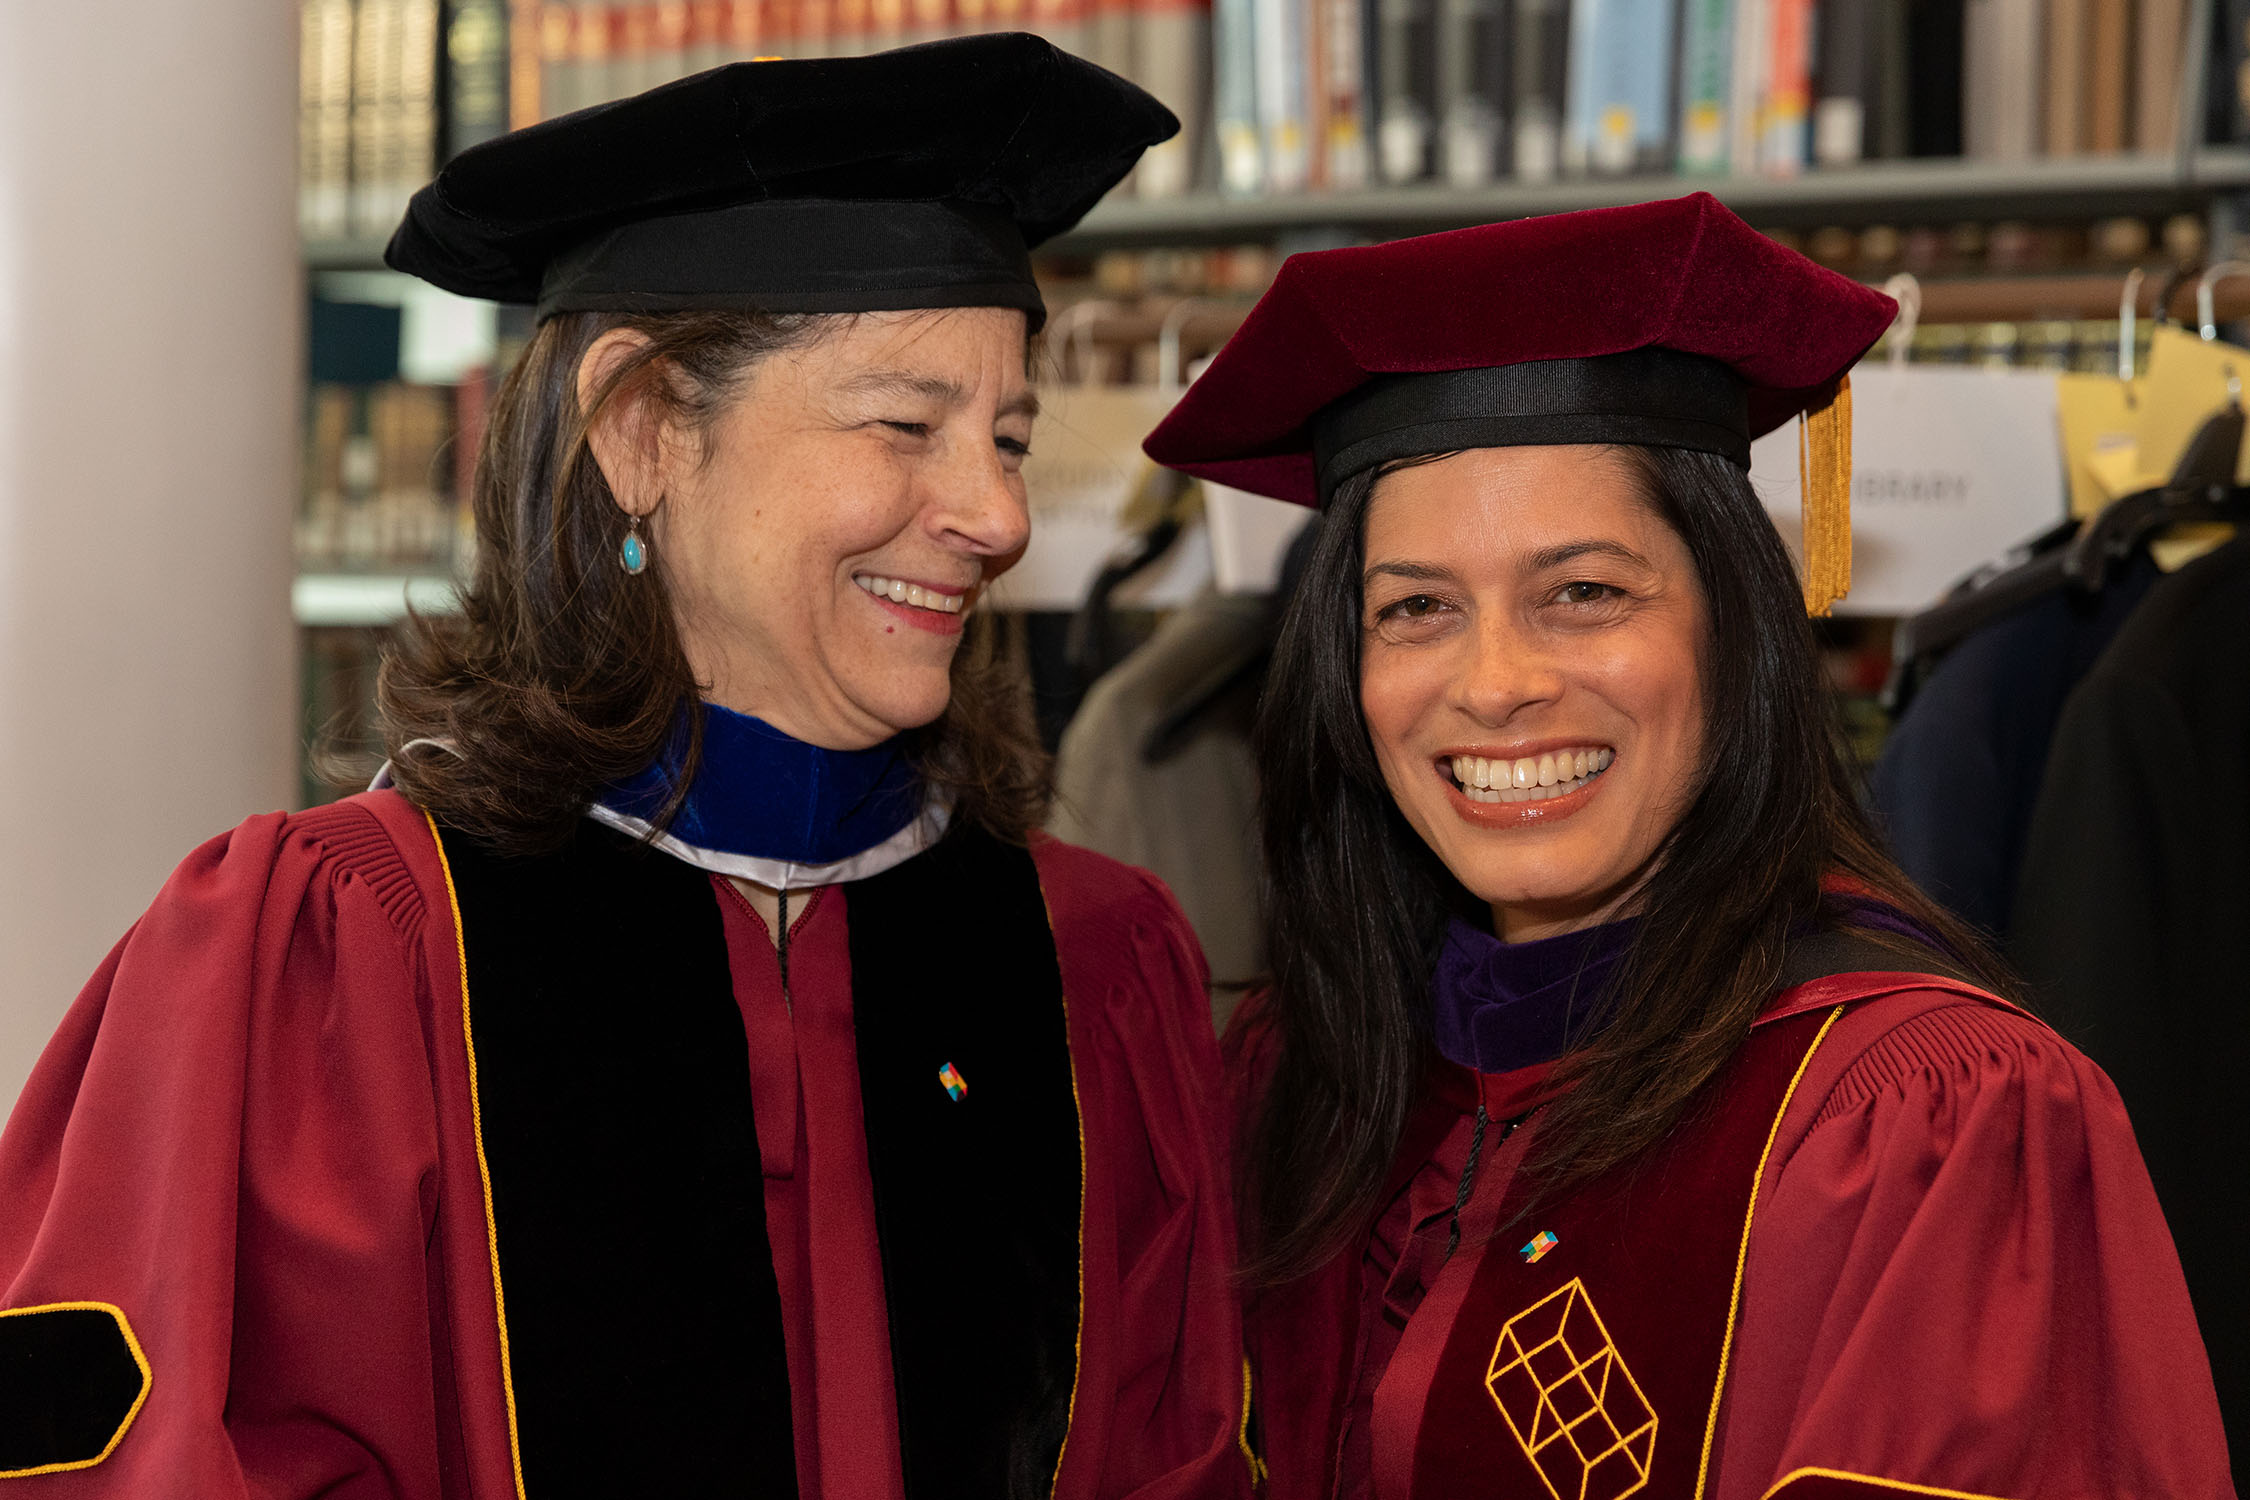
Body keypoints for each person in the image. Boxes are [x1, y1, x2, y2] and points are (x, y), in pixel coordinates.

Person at [0, 36, 1251, 1499]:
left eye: (1012, 439)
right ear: (640, 426)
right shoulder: (351, 958)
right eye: (908, 425)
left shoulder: (1090, 965)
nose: (997, 514)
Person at [1144, 192, 2234, 1499]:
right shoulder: (1299, 1075)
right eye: (1418, 607)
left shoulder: (1918, 1116)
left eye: (1584, 592)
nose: (1495, 684)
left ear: (1733, 630)